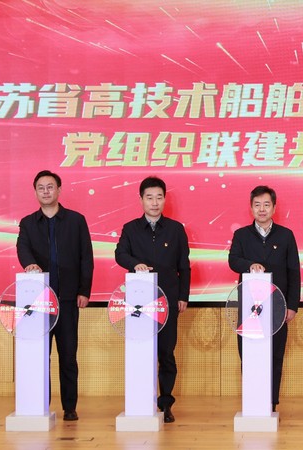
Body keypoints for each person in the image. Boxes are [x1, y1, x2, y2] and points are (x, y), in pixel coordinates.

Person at [16, 170, 94, 421]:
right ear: (35, 192)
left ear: (59, 190)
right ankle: (42, 404)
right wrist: (29, 264)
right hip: (39, 303)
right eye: (41, 188)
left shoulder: (76, 220)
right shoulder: (28, 223)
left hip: (69, 299)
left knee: (68, 356)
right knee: (40, 356)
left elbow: (86, 257)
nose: (46, 191)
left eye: (50, 187)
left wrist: (84, 290)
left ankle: (70, 407)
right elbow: (22, 248)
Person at [115, 176, 191, 424]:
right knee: (141, 350)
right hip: (138, 303)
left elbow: (184, 266)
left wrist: (183, 296)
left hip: (168, 300)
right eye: (149, 197)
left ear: (165, 199)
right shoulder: (130, 228)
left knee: (166, 352)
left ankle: (166, 403)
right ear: (141, 200)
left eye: (159, 197)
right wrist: (134, 263)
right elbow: (120, 254)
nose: (155, 202)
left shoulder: (176, 229)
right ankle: (141, 401)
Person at [228, 185, 301, 412]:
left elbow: (294, 272)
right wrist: (250, 265)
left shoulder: (286, 235)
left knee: (275, 355)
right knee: (248, 354)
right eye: (257, 204)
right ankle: (252, 401)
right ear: (251, 208)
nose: (262, 209)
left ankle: (271, 403)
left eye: (266, 204)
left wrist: (292, 305)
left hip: (278, 306)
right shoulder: (241, 235)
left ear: (274, 207)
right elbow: (233, 261)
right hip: (249, 307)